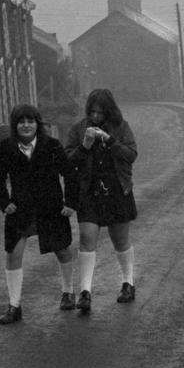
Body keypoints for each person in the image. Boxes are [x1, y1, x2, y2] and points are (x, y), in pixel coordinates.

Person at [0, 104, 78, 324]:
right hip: (20, 210)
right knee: (13, 254)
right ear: (15, 125)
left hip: (51, 208)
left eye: (30, 121)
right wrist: (5, 203)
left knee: (62, 251)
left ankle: (68, 292)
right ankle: (14, 306)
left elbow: (70, 174)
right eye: (21, 121)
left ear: (37, 124)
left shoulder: (52, 146)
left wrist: (70, 203)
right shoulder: (6, 147)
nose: (26, 125)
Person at [64, 88, 139, 313]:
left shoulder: (121, 127)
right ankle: (85, 292)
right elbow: (67, 161)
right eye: (92, 112)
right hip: (88, 192)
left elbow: (131, 154)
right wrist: (84, 146)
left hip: (117, 190)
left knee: (120, 241)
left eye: (100, 112)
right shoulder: (78, 129)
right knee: (87, 239)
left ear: (109, 111)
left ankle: (128, 283)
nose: (96, 117)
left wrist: (110, 141)